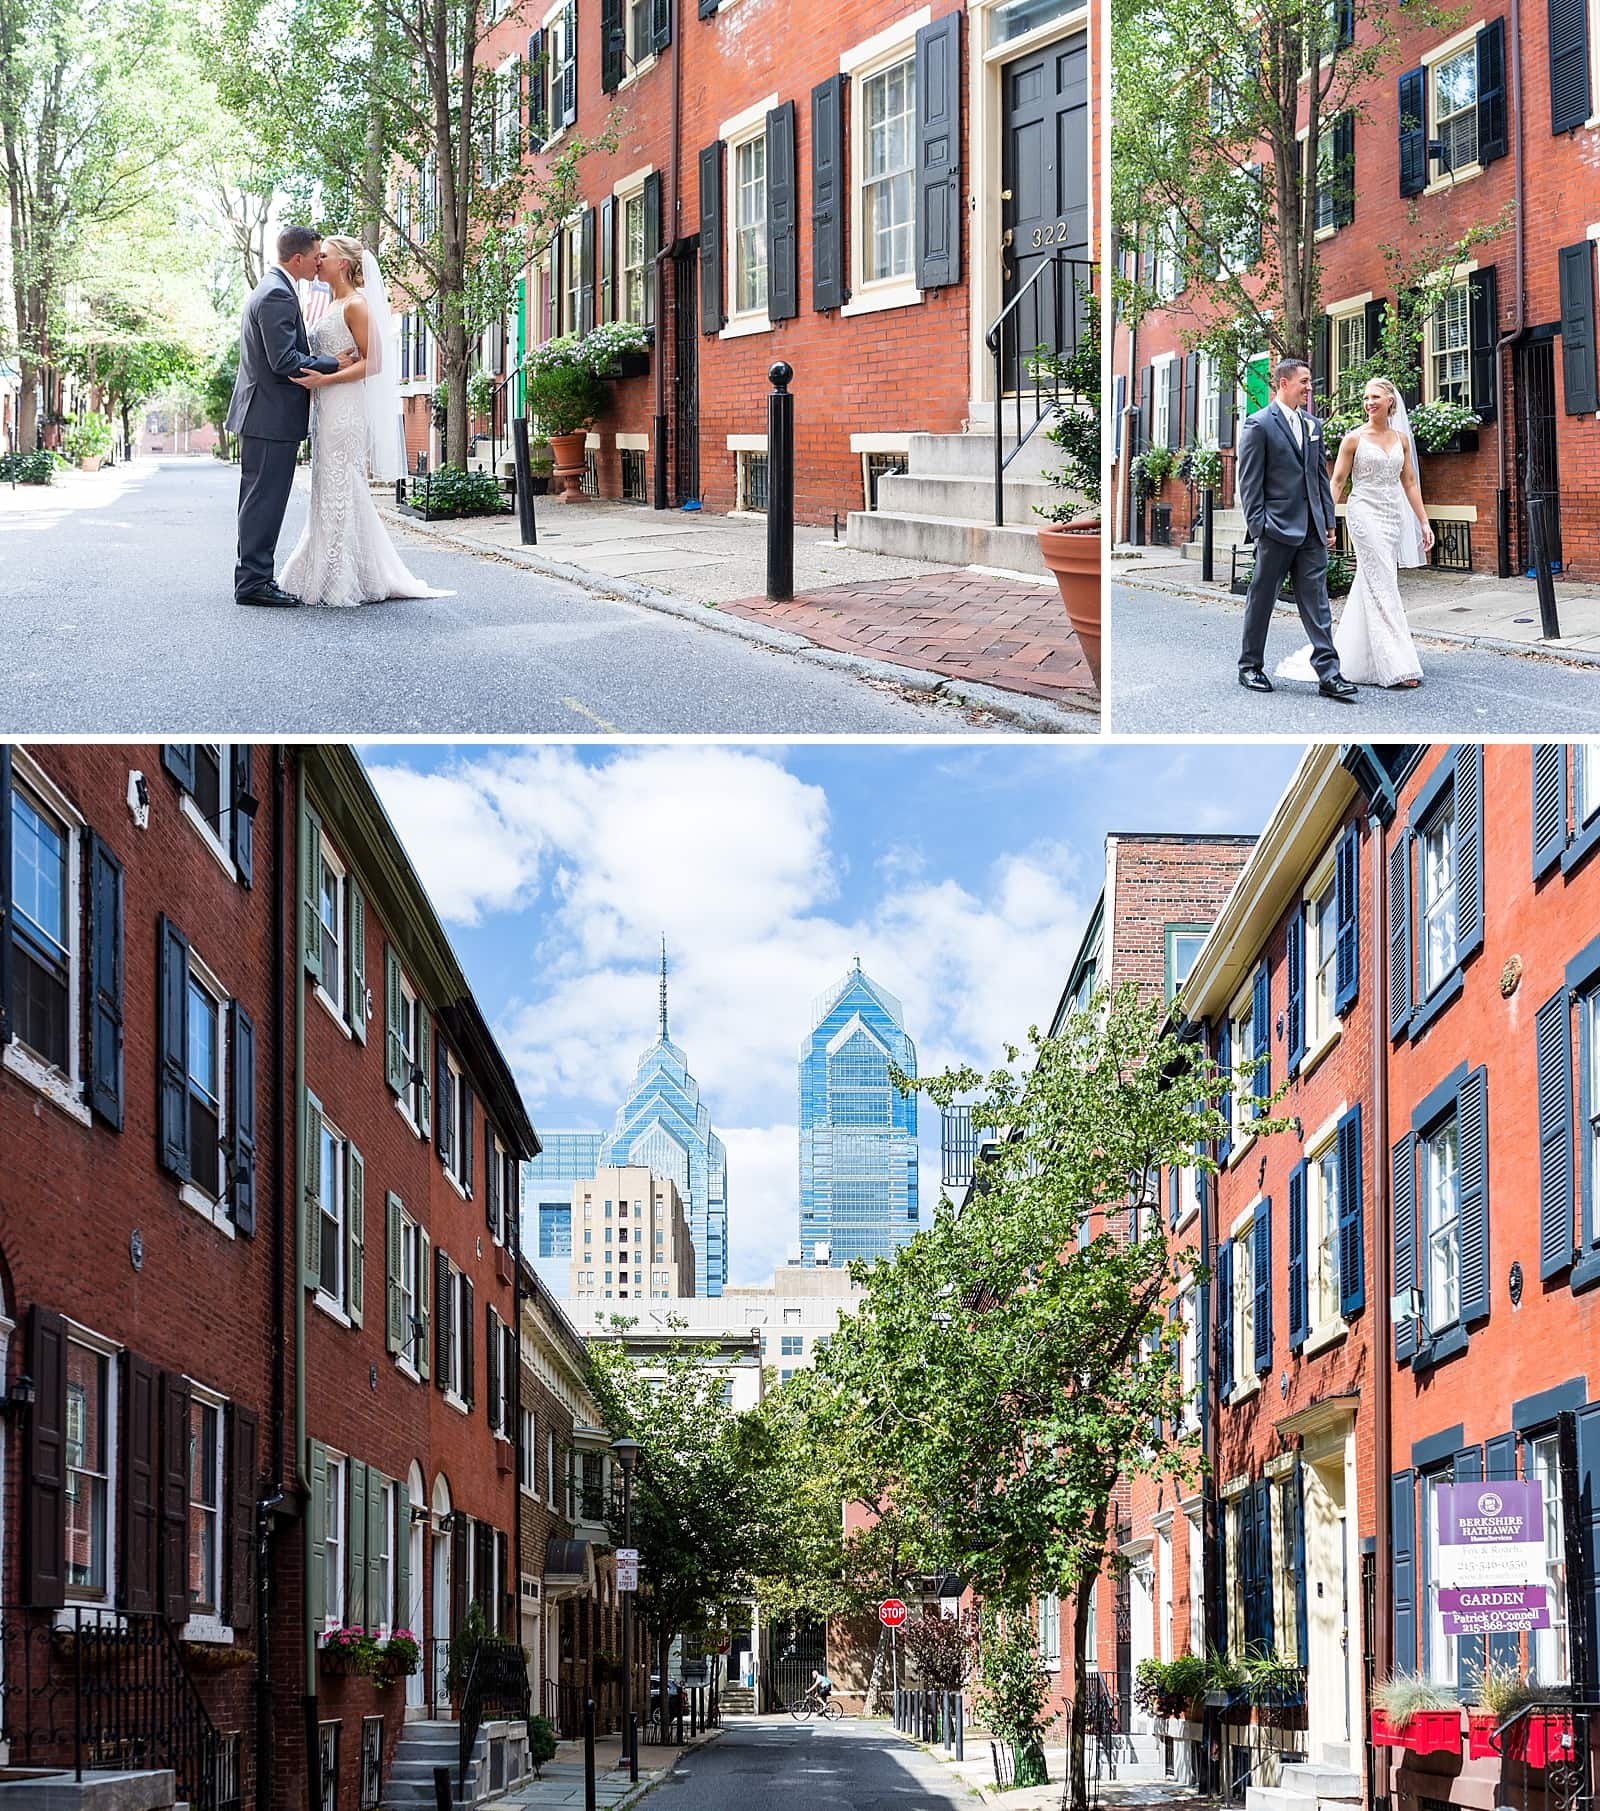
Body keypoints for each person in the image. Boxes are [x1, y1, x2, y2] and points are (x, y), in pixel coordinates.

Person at [278, 235, 451, 607]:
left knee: (343, 483)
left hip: (345, 407)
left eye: (324, 255)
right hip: (325, 406)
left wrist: (325, 379)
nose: (317, 260)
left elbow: (374, 363)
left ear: (343, 263)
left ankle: (345, 574)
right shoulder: (330, 303)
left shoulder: (356, 304)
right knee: (328, 483)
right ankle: (328, 566)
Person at [1277, 376, 1430, 689]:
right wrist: (1325, 520)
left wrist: (1424, 522)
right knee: (1383, 581)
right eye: (1365, 397)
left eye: (1375, 396)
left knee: (1373, 583)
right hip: (1364, 515)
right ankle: (1396, 665)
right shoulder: (1353, 439)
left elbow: (1410, 483)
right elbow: (1336, 482)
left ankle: (1356, 656)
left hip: (1392, 516)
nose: (1369, 402)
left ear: (1390, 401)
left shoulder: (1401, 439)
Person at [225, 226, 347, 607]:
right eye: (315, 257)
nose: (318, 263)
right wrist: (332, 363)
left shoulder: (273, 287)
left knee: (259, 499)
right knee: (265, 500)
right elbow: (284, 362)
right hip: (269, 417)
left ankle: (252, 578)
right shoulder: (277, 294)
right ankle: (254, 584)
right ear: (298, 258)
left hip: (263, 416)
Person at [1234, 357, 1358, 702]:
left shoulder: (1312, 424)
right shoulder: (1259, 425)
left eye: (1309, 381)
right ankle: (1250, 666)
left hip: (1311, 531)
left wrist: (1328, 521)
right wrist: (1260, 527)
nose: (1309, 387)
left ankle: (1329, 674)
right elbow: (1249, 484)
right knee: (1261, 600)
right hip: (1275, 530)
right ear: (1283, 383)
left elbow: (1319, 477)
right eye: (1304, 381)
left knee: (1317, 603)